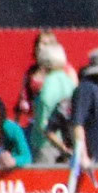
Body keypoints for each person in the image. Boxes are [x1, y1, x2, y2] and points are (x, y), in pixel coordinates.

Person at [27, 34, 77, 164]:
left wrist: (60, 146)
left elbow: (43, 125)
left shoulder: (47, 87)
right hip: (68, 141)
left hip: (46, 146)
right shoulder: (69, 82)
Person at [0, 95, 32, 169]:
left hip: (9, 178)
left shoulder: (13, 129)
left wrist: (14, 161)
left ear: (0, 115)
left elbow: (27, 157)